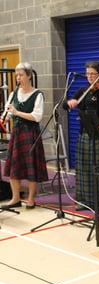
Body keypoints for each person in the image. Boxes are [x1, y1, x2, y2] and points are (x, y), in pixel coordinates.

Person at [66, 61, 99, 211]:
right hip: (85, 133)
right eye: (88, 73)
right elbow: (65, 106)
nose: (90, 77)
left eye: (93, 74)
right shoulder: (84, 90)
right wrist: (70, 102)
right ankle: (84, 200)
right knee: (84, 169)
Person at [0, 62, 48, 209]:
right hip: (17, 133)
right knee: (15, 167)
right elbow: (8, 115)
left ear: (29, 75)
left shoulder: (37, 94)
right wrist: (5, 118)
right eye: (17, 75)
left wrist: (16, 113)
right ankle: (15, 198)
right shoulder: (14, 94)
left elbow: (37, 116)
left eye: (21, 75)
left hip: (31, 133)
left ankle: (31, 199)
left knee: (31, 167)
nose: (18, 78)